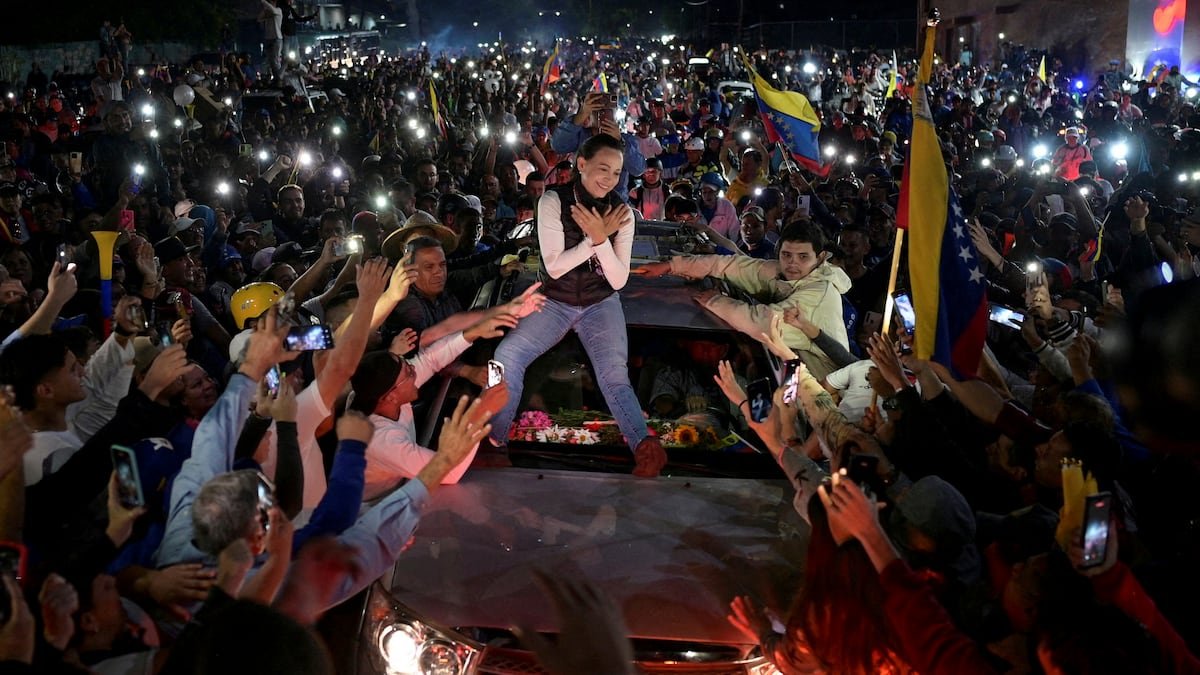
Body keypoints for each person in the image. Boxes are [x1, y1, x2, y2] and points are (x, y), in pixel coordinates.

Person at [487, 133, 667, 476]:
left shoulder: (623, 213)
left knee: (615, 376)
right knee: (506, 357)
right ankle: (494, 442)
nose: (609, 179)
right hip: (555, 300)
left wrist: (600, 240)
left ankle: (645, 446)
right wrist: (595, 240)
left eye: (616, 173)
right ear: (581, 165)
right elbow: (554, 266)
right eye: (602, 168)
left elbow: (618, 279)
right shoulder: (552, 201)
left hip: (601, 302)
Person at [636, 221, 852, 379]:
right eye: (786, 255)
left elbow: (763, 324)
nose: (792, 263)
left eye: (803, 257)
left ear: (821, 258)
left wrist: (715, 302)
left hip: (824, 388)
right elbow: (729, 265)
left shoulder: (819, 293)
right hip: (793, 377)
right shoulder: (782, 272)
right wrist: (671, 266)